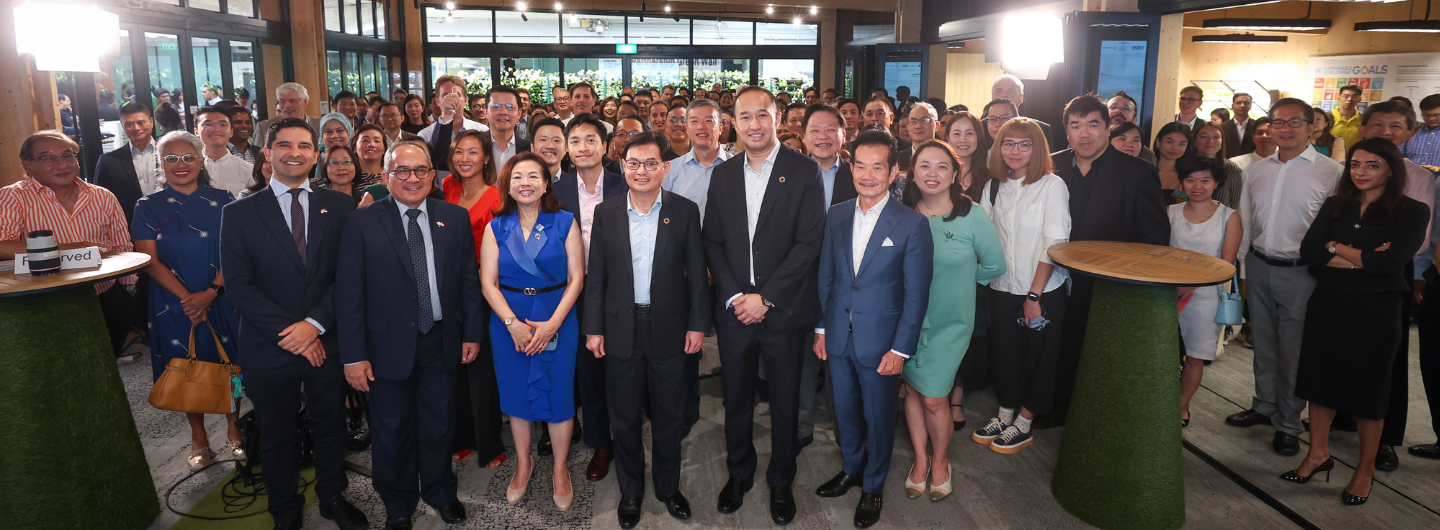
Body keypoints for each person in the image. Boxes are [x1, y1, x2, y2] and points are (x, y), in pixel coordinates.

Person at [219, 118, 368, 530]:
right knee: (277, 433)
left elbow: (349, 276)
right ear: (267, 154)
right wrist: (297, 333)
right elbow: (239, 287)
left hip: (328, 337)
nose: (295, 152)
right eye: (284, 145)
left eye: (304, 145)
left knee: (331, 426)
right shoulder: (239, 213)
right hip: (271, 345)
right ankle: (284, 509)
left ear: (316, 155)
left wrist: (316, 324)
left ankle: (332, 498)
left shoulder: (339, 206)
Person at [335, 140, 484, 529]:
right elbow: (348, 294)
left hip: (441, 338)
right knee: (391, 429)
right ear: (386, 176)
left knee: (439, 423)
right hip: (384, 347)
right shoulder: (360, 222)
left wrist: (472, 333)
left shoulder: (452, 217)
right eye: (402, 171)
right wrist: (353, 355)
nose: (412, 178)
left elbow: (468, 281)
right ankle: (398, 502)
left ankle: (440, 492)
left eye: (421, 170)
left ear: (433, 176)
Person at [704, 86, 824, 525]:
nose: (754, 124)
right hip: (736, 308)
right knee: (734, 396)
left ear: (778, 118)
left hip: (784, 308)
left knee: (786, 398)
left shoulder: (804, 170)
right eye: (745, 116)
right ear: (733, 122)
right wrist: (738, 296)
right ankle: (739, 472)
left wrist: (767, 298)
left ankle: (781, 479)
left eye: (763, 115)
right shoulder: (724, 174)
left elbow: (809, 244)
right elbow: (712, 241)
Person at [1288, 138, 1429, 506]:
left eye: (1372, 165)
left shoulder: (1412, 211)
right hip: (1330, 302)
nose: (1361, 172)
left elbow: (1389, 263)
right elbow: (1309, 253)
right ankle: (1317, 453)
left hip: (1377, 310)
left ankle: (1364, 470)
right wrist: (1360, 256)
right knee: (1320, 382)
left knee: (1369, 391)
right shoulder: (1337, 204)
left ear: (1390, 169)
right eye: (1354, 164)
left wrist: (1335, 246)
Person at [582, 131, 707, 529]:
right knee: (625, 417)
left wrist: (697, 325)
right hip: (620, 328)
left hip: (669, 327)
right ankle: (631, 491)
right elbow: (596, 275)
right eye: (633, 163)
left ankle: (668, 488)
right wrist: (594, 328)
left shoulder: (685, 211)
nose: (641, 170)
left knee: (670, 415)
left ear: (665, 169)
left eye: (651, 163)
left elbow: (697, 280)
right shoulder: (608, 212)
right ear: (622, 166)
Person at [811, 130, 933, 528]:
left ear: (894, 171)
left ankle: (874, 485)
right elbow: (827, 276)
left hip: (881, 343)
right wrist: (821, 329)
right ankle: (852, 469)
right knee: (843, 411)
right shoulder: (839, 213)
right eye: (859, 165)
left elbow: (916, 296)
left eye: (876, 167)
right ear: (851, 167)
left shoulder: (912, 225)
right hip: (839, 336)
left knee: (879, 417)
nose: (866, 174)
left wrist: (900, 350)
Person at [1228, 99, 1344, 457]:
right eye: (1278, 123)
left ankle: (1289, 424)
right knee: (1263, 342)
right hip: (1260, 265)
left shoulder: (1331, 172)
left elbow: (1336, 231)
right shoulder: (1257, 170)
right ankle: (1264, 405)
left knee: (1293, 352)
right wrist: (1244, 270)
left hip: (1302, 273)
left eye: (1295, 122)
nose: (1286, 129)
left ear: (1312, 127)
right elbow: (1246, 223)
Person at [1049, 95, 1169, 429]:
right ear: (1067, 132)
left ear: (1107, 128)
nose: (1084, 134)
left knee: (1103, 358)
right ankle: (1057, 410)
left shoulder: (1138, 172)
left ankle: (1096, 421)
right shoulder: (1051, 165)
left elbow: (1155, 237)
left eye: (1092, 125)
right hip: (1055, 278)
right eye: (1075, 126)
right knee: (1060, 348)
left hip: (1111, 285)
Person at [898, 139, 1004, 502]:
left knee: (933, 396)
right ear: (912, 172)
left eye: (942, 166)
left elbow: (994, 266)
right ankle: (921, 460)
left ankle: (941, 461)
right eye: (924, 165)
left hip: (950, 323)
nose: (932, 173)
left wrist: (961, 283)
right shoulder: (902, 212)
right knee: (911, 389)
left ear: (955, 173)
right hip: (907, 321)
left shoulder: (971, 215)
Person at [132, 131, 244, 471]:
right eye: (171, 159)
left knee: (231, 365)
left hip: (221, 296)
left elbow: (237, 252)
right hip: (172, 303)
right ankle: (198, 437)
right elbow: (148, 260)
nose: (180, 165)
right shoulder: (146, 206)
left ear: (200, 161)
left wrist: (210, 292)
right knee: (184, 365)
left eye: (187, 158)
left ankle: (235, 428)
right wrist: (189, 299)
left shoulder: (226, 199)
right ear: (160, 164)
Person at [480, 151, 585, 511]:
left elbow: (577, 278)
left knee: (558, 395)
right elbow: (488, 283)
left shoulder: (565, 221)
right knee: (515, 396)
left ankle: (559, 469)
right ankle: (523, 465)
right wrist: (511, 324)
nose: (525, 183)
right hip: (509, 319)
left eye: (532, 177)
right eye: (517, 177)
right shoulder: (496, 227)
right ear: (507, 185)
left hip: (556, 316)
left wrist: (554, 322)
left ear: (545, 184)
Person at [973, 118, 1070, 453]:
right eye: (1008, 143)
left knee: (1039, 357)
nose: (1015, 151)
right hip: (1001, 288)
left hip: (1041, 291)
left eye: (1024, 144)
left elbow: (1054, 244)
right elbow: (982, 236)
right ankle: (1004, 413)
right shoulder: (994, 186)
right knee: (1005, 354)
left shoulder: (1052, 185)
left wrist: (1034, 296)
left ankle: (1025, 421)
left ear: (1037, 148)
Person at [1354, 100, 1436, 472]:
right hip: (1340, 274)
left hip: (1391, 275)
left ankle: (1386, 438)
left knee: (1388, 358)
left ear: (1410, 133)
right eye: (1377, 125)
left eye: (1395, 127)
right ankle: (1343, 415)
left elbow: (1419, 238)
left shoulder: (1419, 177)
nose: (1385, 133)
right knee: (1342, 347)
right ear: (1363, 128)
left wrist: (1362, 252)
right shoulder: (1348, 170)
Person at [3, 131, 136, 358]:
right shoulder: (13, 197)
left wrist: (128, 290)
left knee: (106, 364)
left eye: (67, 155)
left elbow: (122, 247)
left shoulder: (103, 196)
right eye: (48, 158)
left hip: (105, 294)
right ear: (28, 165)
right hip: (45, 301)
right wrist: (73, 247)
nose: (61, 164)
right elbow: (2, 245)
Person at [552, 114, 625, 479]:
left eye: (590, 140)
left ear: (604, 144)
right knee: (587, 370)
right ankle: (600, 443)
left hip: (620, 290)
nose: (583, 147)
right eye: (576, 140)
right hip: (574, 293)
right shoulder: (557, 190)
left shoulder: (625, 184)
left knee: (620, 367)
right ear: (567, 148)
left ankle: (623, 436)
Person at [438, 129, 507, 468]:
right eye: (459, 152)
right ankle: (462, 437)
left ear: (485, 158)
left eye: (473, 152)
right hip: (446, 287)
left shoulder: (495, 197)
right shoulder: (447, 187)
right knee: (454, 366)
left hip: (481, 290)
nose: (465, 158)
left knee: (481, 370)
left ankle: (490, 442)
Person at [1170, 156, 1242, 428]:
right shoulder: (1170, 212)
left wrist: (1191, 285)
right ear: (1181, 182)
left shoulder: (1229, 217)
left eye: (1205, 180)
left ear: (1216, 183)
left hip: (1205, 297)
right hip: (1168, 293)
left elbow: (1227, 264)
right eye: (1190, 180)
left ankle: (1182, 406)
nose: (1197, 186)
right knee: (1164, 352)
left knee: (1195, 355)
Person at [95, 102, 161, 223]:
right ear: (122, 126)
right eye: (129, 124)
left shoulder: (170, 155)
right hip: (129, 226)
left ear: (151, 122)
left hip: (172, 222)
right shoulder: (109, 161)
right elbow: (101, 201)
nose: (136, 128)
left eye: (141, 122)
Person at [418, 75, 490, 173]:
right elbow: (434, 162)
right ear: (438, 101)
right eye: (446, 95)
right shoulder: (425, 134)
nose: (452, 99)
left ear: (465, 101)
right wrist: (446, 118)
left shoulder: (482, 130)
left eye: (457, 94)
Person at [195, 106, 254, 197]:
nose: (215, 129)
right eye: (208, 125)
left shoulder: (248, 170)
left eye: (222, 125)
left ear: (231, 132)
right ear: (196, 132)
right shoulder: (190, 168)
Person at [990, 74, 1057, 148]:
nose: (1004, 95)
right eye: (999, 91)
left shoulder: (1041, 129)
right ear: (992, 96)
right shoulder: (979, 128)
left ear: (1021, 97)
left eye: (1010, 91)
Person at [1192, 121, 1245, 210]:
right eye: (1204, 137)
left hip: (1220, 221)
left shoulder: (1231, 169)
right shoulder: (1184, 166)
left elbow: (1233, 205)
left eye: (1216, 137)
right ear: (1194, 142)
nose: (1210, 141)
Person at [254, 83, 322, 146]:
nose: (287, 106)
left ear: (305, 102)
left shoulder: (321, 125)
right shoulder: (264, 127)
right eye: (282, 101)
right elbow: (259, 157)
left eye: (292, 101)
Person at [485, 86, 529, 171]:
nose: (503, 112)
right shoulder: (475, 146)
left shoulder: (529, 149)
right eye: (496, 106)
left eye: (509, 107)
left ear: (519, 113)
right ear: (486, 111)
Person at [1106, 92, 1157, 164]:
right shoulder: (1092, 145)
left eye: (1126, 109)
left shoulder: (1146, 154)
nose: (1119, 111)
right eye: (1113, 107)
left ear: (1134, 120)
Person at [1154, 122, 1195, 204]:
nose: (1175, 148)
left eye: (1181, 144)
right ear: (1158, 142)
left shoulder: (1189, 176)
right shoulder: (1144, 171)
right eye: (1170, 142)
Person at [1400, 94, 1438, 167]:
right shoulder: (1413, 131)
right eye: (1426, 115)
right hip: (1412, 176)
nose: (1431, 119)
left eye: (1436, 115)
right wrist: (1402, 160)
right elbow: (1399, 154)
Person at [350, 123, 389, 193]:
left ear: (384, 149)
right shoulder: (348, 176)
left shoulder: (392, 175)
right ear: (355, 147)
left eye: (377, 141)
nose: (371, 144)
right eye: (365, 140)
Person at [1332, 85, 1365, 151]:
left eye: (1354, 96)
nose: (1349, 99)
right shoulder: (1329, 117)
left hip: (1355, 159)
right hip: (1331, 158)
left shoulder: (1363, 119)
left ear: (1360, 99)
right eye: (1346, 96)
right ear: (1338, 98)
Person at [1223, 92, 1257, 157]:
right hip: (1228, 164)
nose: (1242, 105)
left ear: (1250, 106)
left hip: (1252, 164)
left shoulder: (1256, 126)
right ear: (1232, 106)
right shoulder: (1223, 127)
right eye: (1239, 103)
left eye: (1246, 103)